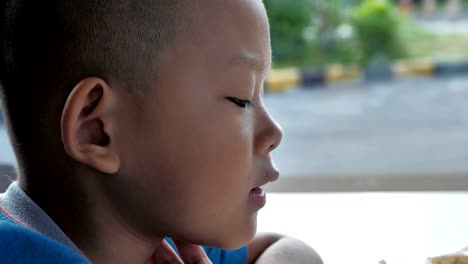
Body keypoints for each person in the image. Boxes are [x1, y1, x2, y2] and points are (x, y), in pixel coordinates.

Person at [0, 0, 323, 263]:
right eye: (240, 99)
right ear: (98, 131)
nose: (274, 132)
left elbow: (290, 251)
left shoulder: (155, 236)